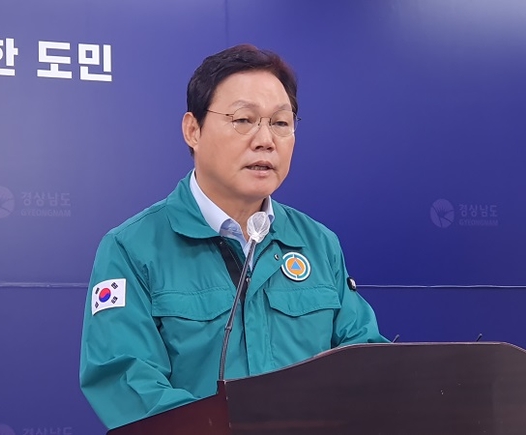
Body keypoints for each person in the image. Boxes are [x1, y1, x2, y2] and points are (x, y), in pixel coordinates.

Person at [79, 43, 389, 430]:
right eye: (244, 120)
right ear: (193, 130)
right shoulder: (132, 248)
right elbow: (127, 382)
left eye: (281, 123)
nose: (265, 140)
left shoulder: (318, 243)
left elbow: (365, 360)